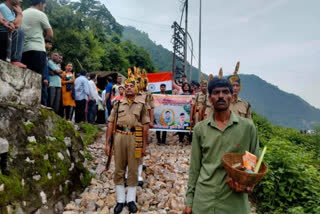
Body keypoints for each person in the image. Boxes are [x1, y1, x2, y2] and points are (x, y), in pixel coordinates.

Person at [183, 76, 260, 214]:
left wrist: (247, 183)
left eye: (225, 92)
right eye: (216, 92)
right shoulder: (200, 129)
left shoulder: (247, 127)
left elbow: (254, 162)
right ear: (210, 97)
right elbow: (195, 168)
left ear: (232, 96)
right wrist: (189, 201)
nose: (221, 96)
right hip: (204, 200)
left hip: (234, 201)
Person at [105, 70, 149, 214]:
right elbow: (111, 123)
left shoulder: (142, 105)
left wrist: (143, 145)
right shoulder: (117, 104)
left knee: (133, 167)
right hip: (119, 137)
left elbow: (145, 127)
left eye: (131, 85)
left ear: (136, 88)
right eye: (127, 85)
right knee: (119, 168)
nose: (129, 87)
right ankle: (120, 200)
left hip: (135, 137)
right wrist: (107, 143)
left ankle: (130, 200)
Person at [21, 0, 52, 85]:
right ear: (40, 3)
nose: (44, 9)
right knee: (36, 82)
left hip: (23, 50)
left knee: (25, 80)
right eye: (44, 6)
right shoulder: (40, 14)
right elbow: (50, 34)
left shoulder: (22, 13)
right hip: (37, 50)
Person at [0, 0, 25, 68]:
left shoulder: (12, 12)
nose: (21, 1)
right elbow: (17, 25)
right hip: (2, 35)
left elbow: (16, 24)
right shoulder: (3, 7)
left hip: (7, 36)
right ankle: (15, 59)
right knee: (19, 32)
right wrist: (20, 14)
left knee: (20, 32)